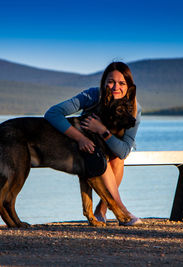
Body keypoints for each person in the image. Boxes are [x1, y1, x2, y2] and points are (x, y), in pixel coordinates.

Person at [44, 61, 142, 225]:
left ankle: (104, 210)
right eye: (110, 81)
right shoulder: (92, 96)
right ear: (103, 82)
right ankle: (121, 211)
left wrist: (102, 131)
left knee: (118, 158)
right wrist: (80, 138)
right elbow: (53, 113)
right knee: (98, 153)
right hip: (88, 149)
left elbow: (124, 151)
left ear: (129, 86)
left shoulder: (135, 108)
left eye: (121, 83)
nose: (115, 87)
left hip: (112, 146)